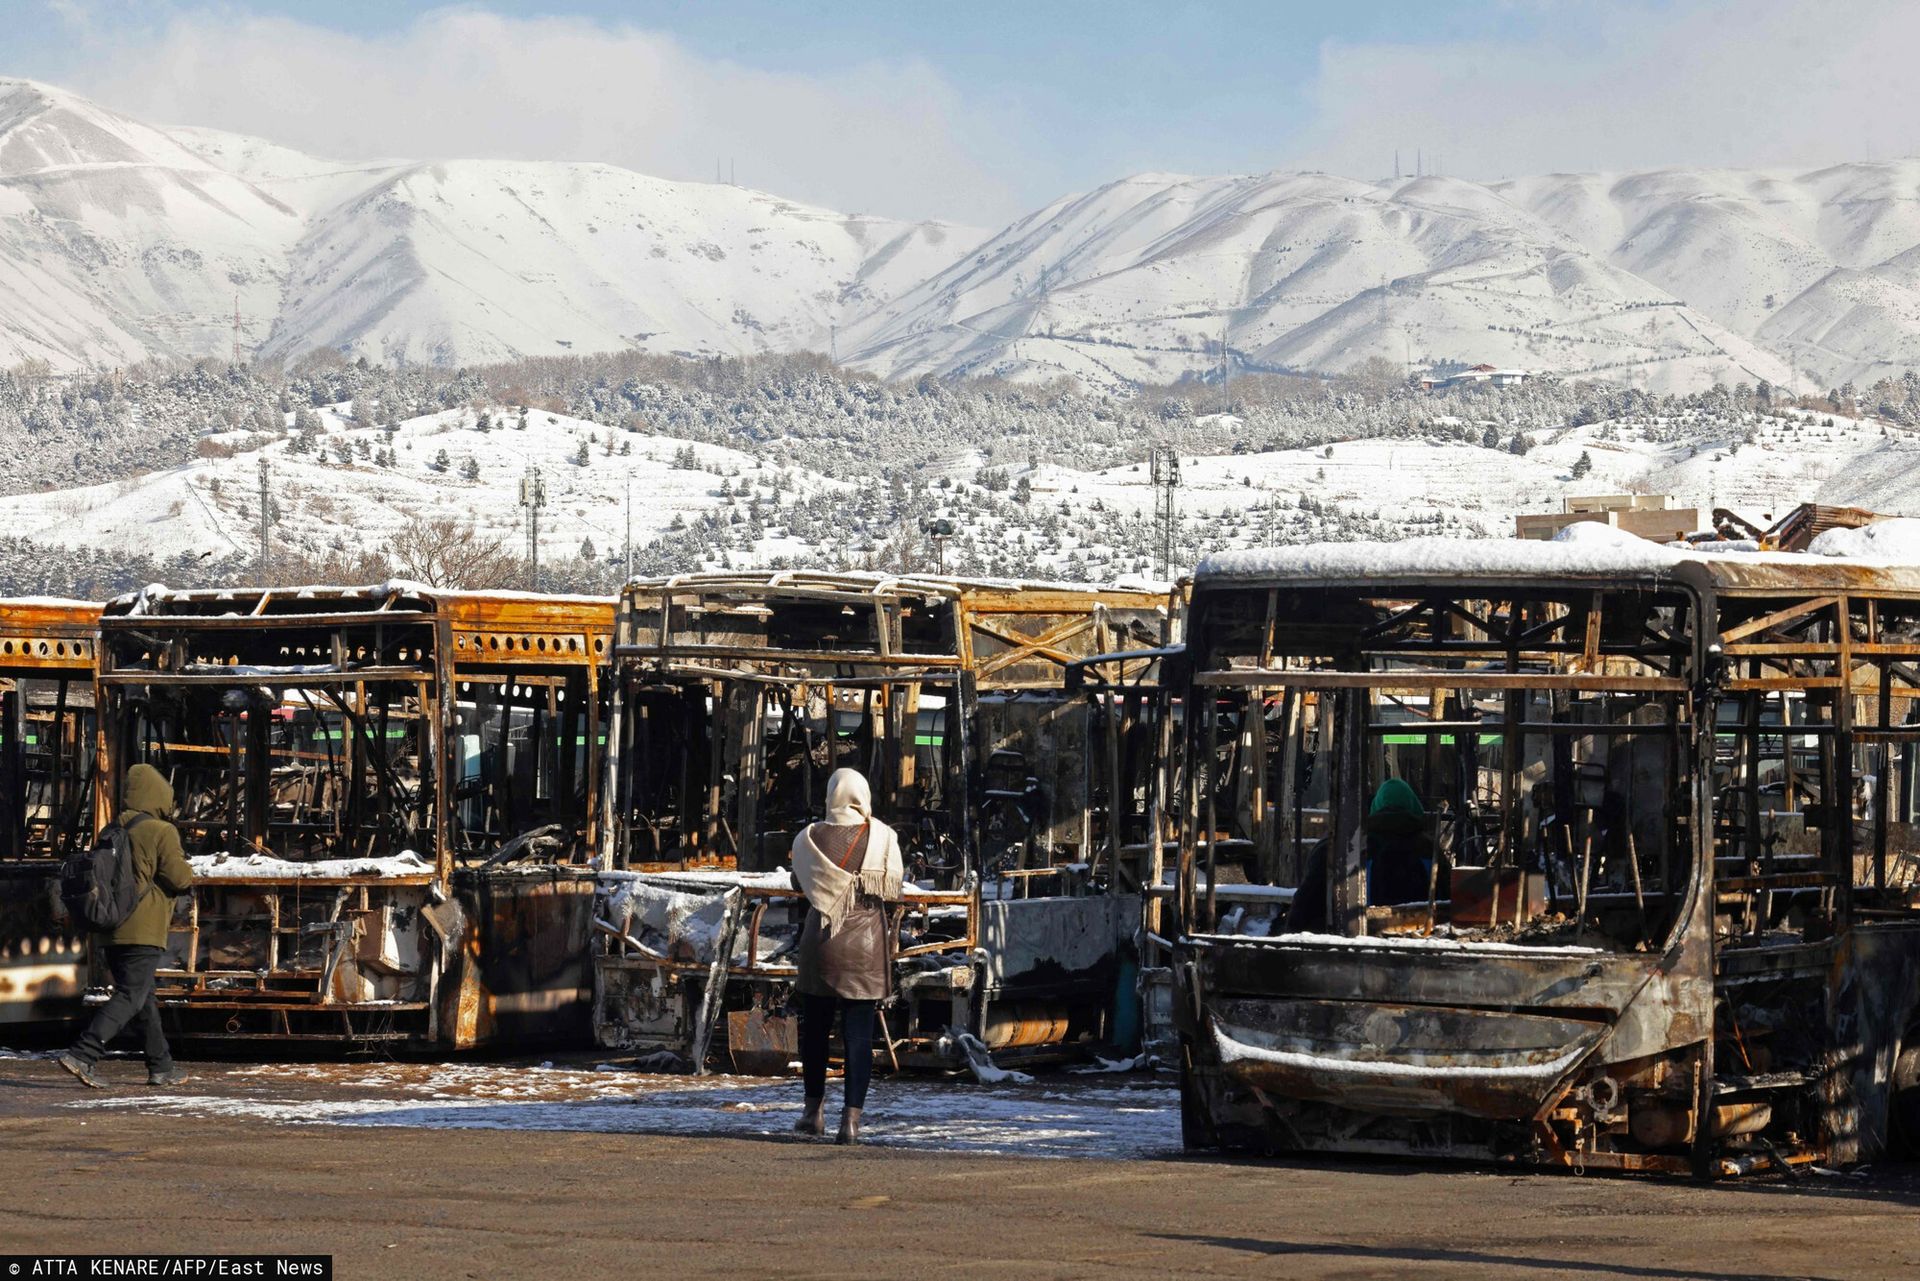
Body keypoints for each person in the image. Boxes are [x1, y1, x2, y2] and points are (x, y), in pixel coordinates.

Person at [58, 763, 193, 1089]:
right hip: (142, 930)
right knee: (131, 995)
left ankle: (161, 1066)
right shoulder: (162, 831)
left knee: (143, 998)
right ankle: (83, 1053)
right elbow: (181, 878)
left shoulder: (112, 830)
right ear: (160, 795)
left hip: (110, 928)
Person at [788, 767, 903, 1145]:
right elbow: (893, 891)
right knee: (857, 1038)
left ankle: (812, 1113)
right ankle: (850, 1123)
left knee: (816, 1034)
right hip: (864, 951)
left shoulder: (808, 839)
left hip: (818, 947)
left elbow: (797, 883)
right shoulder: (883, 837)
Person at [1284, 777, 1440, 934]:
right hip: (1421, 942)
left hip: (1352, 946)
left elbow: (1303, 911)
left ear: (1375, 808)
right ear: (1415, 807)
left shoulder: (1343, 847)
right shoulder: (1430, 850)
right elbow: (1448, 907)